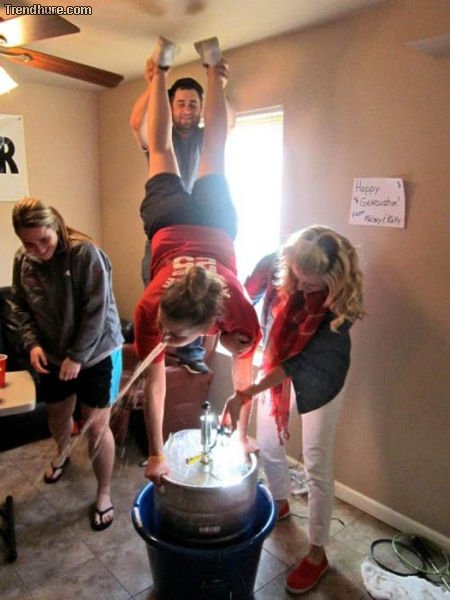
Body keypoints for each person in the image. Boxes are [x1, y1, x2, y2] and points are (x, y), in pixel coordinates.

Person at [133, 37, 261, 485]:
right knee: (201, 151)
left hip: (185, 224)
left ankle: (182, 68)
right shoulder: (155, 308)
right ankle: (180, 70)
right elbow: (156, 382)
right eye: (171, 331)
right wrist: (156, 452)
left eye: (171, 334)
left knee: (171, 150)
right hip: (202, 224)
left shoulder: (159, 307)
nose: (166, 338)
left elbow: (243, 380)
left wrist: (242, 436)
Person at [223, 225, 365, 594]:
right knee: (269, 444)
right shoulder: (277, 264)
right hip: (277, 367)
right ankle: (280, 502)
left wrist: (247, 391)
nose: (300, 288)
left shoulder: (339, 311)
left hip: (321, 378)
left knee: (316, 463)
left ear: (333, 281)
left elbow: (297, 365)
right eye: (296, 278)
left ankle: (317, 554)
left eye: (310, 284)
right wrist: (229, 328)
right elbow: (241, 294)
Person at [11, 197, 123, 531]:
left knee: (96, 427)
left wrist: (77, 356)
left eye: (43, 240)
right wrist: (32, 344)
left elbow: (97, 310)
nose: (38, 249)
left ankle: (104, 493)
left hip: (97, 352)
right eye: (29, 243)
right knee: (58, 413)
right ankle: (62, 454)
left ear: (55, 225)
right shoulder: (23, 260)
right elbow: (19, 305)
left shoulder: (84, 253)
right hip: (53, 352)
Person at [130, 49, 234, 375]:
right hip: (183, 224)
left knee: (193, 288)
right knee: (160, 284)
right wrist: (155, 85)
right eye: (180, 103)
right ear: (170, 106)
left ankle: (188, 350)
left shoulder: (202, 134)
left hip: (177, 220)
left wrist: (218, 86)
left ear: (201, 109)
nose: (187, 109)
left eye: (193, 104)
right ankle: (166, 346)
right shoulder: (164, 130)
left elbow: (227, 121)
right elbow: (137, 124)